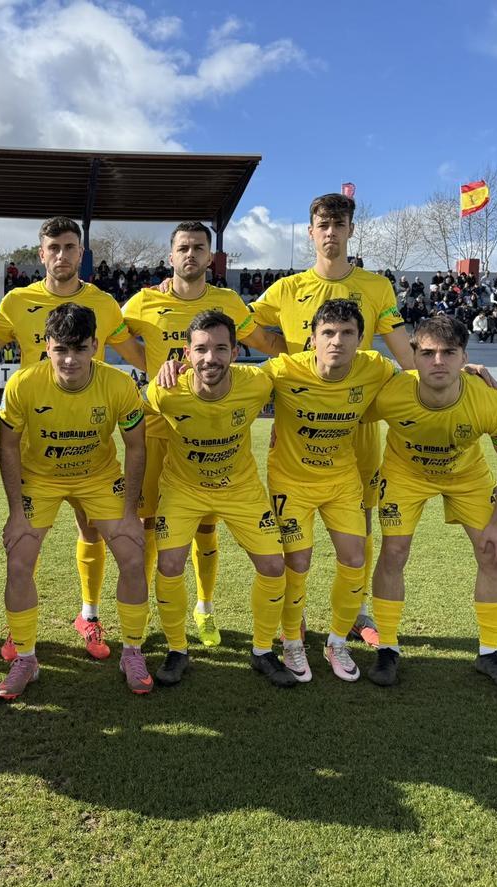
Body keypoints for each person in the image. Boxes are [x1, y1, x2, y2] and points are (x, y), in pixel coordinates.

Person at [248, 193, 412, 648]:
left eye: (339, 224)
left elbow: (406, 358)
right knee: (293, 534)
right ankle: (292, 616)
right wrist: (283, 355)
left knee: (358, 523)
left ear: (351, 231)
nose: (331, 232)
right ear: (311, 231)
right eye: (323, 224)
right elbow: (241, 323)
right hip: (298, 431)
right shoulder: (286, 290)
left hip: (356, 428)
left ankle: (357, 614)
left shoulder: (377, 288)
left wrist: (455, 370)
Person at [0, 217, 145, 662]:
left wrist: (179, 364)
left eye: (70, 247)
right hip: (37, 445)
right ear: (41, 253)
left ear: (81, 253)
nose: (61, 255)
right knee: (23, 551)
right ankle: (23, 635)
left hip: (92, 445)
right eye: (53, 247)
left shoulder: (105, 304)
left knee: (93, 531)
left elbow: (136, 354)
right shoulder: (17, 301)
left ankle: (89, 614)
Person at [124, 221, 286, 645]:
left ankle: (205, 608)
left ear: (210, 256)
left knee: (205, 527)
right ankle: (142, 616)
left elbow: (265, 345)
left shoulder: (229, 301)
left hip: (210, 425)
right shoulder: (143, 301)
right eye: (183, 247)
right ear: (171, 255)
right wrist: (150, 368)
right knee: (149, 527)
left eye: (199, 247)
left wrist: (317, 353)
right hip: (160, 427)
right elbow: (112, 336)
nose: (191, 254)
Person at [364, 316, 497, 693]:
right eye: (428, 353)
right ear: (414, 357)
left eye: (449, 353)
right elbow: (346, 411)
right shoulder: (390, 392)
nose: (438, 361)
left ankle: (490, 653)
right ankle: (387, 648)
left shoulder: (488, 398)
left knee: (493, 553)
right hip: (405, 475)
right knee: (394, 552)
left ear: (464, 357)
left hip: (466, 476)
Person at [0, 303, 151, 698]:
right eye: (61, 348)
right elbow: (8, 447)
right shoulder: (23, 384)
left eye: (80, 349)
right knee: (18, 561)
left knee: (134, 554)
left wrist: (132, 512)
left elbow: (135, 448)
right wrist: (16, 512)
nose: (70, 359)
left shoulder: (119, 385)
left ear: (96, 347)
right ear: (46, 346)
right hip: (41, 480)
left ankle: (132, 650)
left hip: (99, 478)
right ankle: (26, 658)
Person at [145, 311, 293, 688]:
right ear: (186, 352)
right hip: (183, 489)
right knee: (170, 564)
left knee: (274, 567)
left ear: (236, 351)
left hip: (239, 489)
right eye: (201, 349)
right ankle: (178, 649)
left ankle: (262, 650)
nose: (210, 358)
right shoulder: (165, 390)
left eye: (220, 349)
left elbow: (308, 377)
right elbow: (129, 421)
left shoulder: (258, 382)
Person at [261, 300, 396, 682]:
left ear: (360, 340)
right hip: (291, 481)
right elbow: (233, 379)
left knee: (355, 559)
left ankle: (337, 640)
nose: (337, 341)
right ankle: (291, 641)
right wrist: (182, 367)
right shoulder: (283, 370)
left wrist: (466, 373)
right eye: (328, 333)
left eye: (347, 333)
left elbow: (418, 382)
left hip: (341, 482)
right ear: (312, 340)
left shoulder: (377, 368)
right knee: (297, 562)